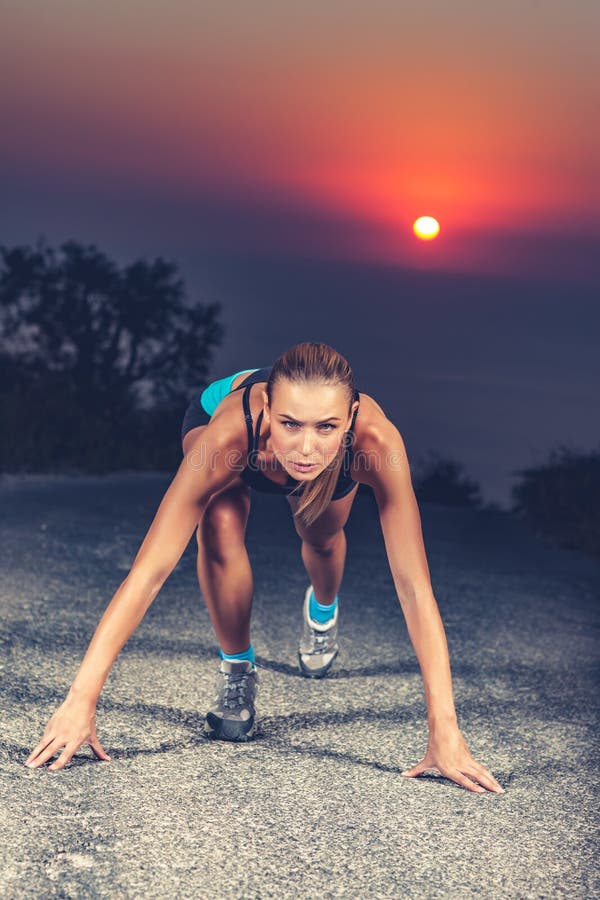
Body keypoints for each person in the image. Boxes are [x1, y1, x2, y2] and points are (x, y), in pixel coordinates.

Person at [25, 341, 504, 794]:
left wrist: (445, 732)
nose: (307, 448)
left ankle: (322, 606)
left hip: (322, 477)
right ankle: (238, 667)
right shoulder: (230, 434)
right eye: (290, 423)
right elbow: (149, 572)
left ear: (351, 418)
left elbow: (414, 588)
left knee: (320, 539)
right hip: (221, 421)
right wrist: (80, 701)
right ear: (269, 410)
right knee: (217, 521)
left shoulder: (376, 443)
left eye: (327, 427)